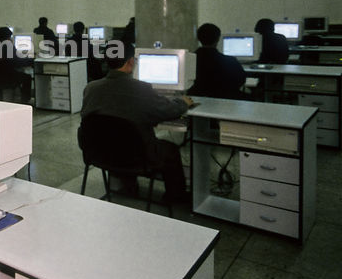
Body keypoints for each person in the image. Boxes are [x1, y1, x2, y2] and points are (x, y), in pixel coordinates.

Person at [80, 42, 193, 203]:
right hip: (138, 156)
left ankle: (128, 186)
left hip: (99, 154)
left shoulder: (91, 88)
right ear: (131, 62)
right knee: (171, 149)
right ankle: (175, 197)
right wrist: (183, 103)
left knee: (119, 137)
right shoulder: (142, 89)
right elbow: (168, 111)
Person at [188, 23, 246, 99]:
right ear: (218, 39)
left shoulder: (189, 60)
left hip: (197, 99)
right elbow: (241, 81)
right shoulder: (231, 61)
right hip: (226, 100)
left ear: (198, 38)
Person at [0, 27, 33, 103]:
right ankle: (24, 101)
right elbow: (17, 62)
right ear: (7, 37)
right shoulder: (8, 47)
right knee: (27, 77)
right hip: (6, 79)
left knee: (0, 76)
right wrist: (31, 61)